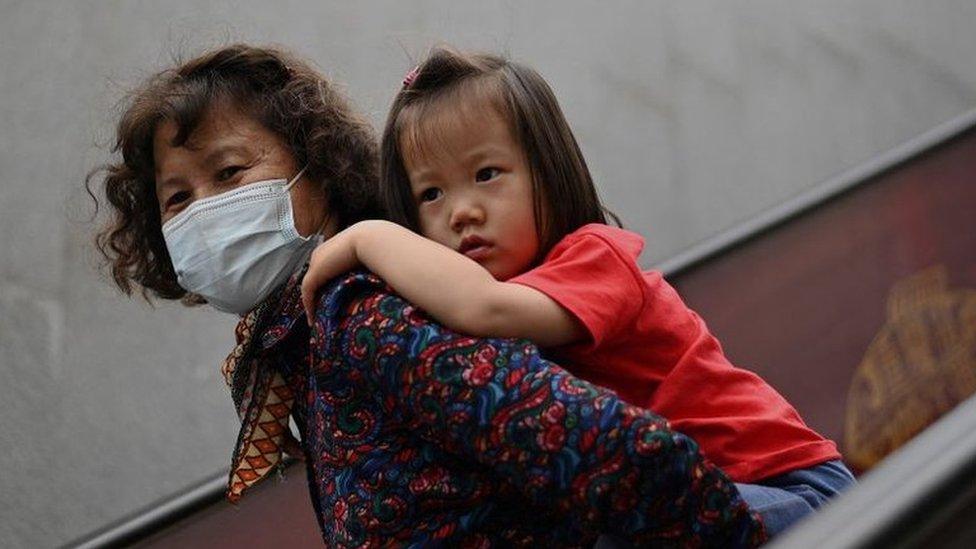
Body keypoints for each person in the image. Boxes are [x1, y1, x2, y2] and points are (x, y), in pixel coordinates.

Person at [89, 43, 765, 546]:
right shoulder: (300, 343)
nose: (203, 209)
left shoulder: (362, 314)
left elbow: (615, 451)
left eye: (230, 171)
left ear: (319, 171)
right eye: (177, 196)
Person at [299, 46, 856, 538]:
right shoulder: (484, 292)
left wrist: (368, 237)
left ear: (550, 171)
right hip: (696, 494)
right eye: (431, 194)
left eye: (487, 173)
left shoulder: (597, 258)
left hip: (791, 491)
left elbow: (483, 307)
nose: (462, 211)